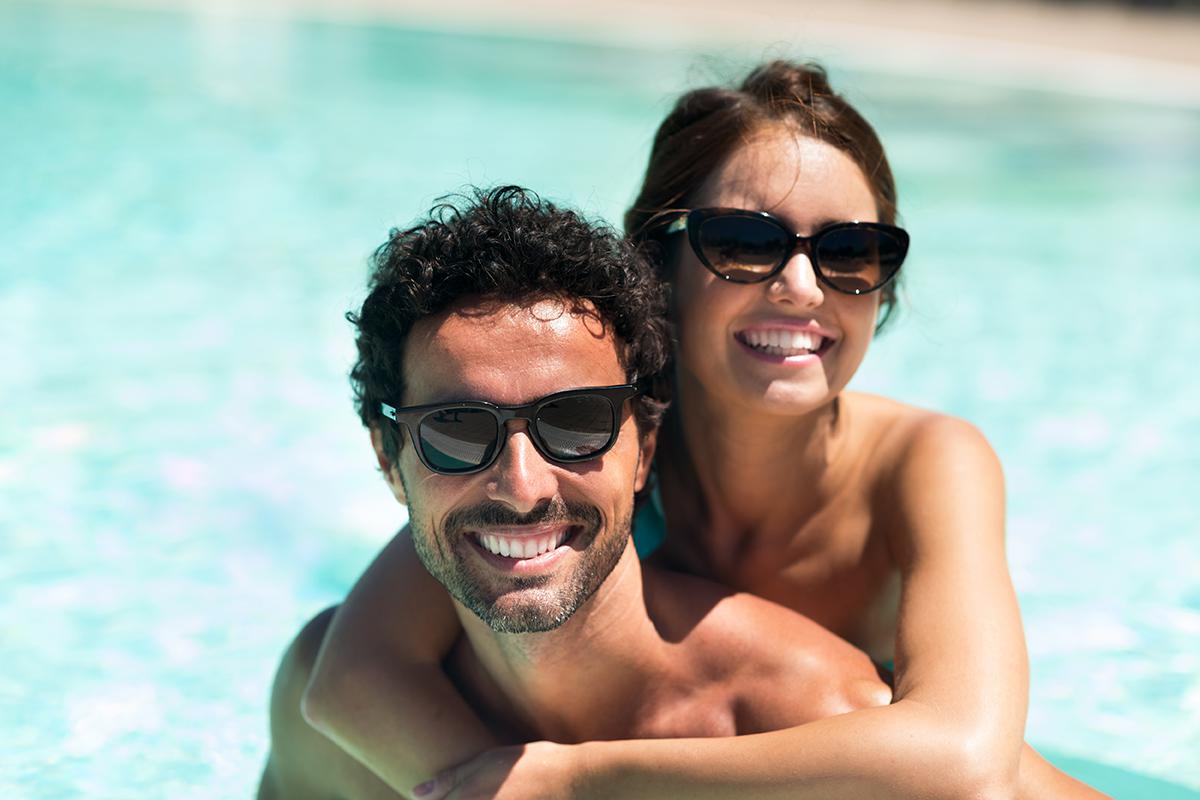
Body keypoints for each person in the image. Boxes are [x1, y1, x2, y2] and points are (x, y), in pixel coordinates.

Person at [301, 62, 1105, 799]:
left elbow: (964, 759)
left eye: (850, 251)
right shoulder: (582, 441)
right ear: (656, 263)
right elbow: (347, 670)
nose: (800, 286)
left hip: (880, 743)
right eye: (745, 243)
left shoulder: (925, 462)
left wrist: (580, 777)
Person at [257, 186, 896, 800]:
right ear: (387, 460)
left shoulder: (817, 729)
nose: (520, 488)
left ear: (644, 449)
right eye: (456, 430)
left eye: (576, 423)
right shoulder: (331, 723)